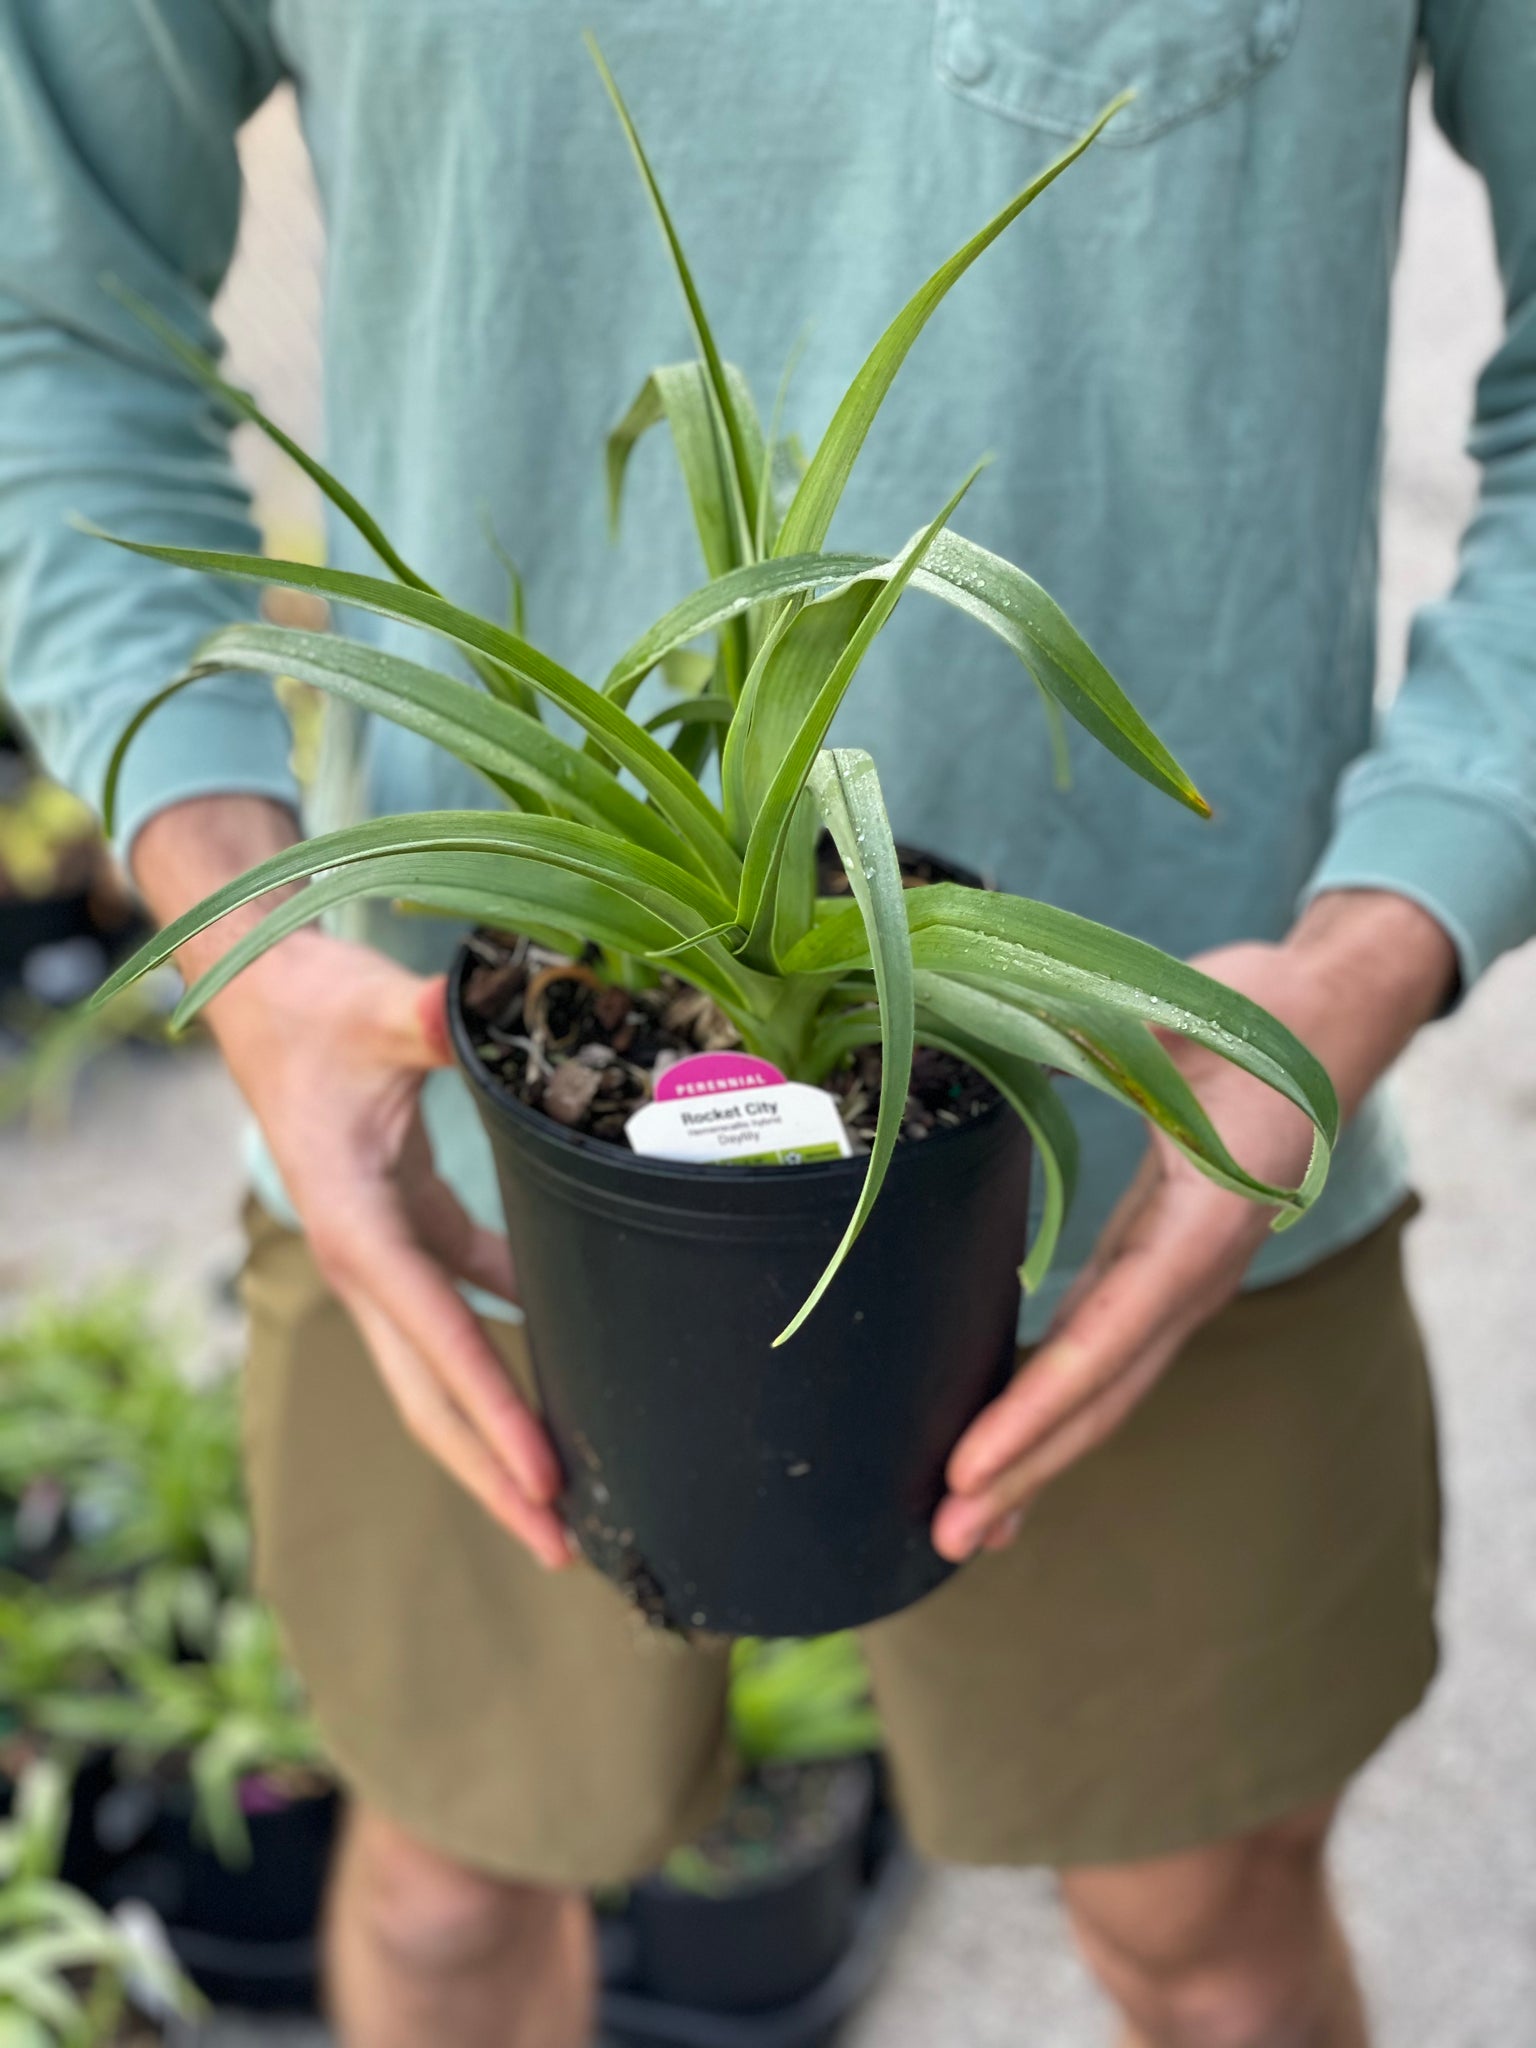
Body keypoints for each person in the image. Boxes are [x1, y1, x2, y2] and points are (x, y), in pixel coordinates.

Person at [3, 4, 1532, 2043]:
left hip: (1184, 1102)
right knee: (449, 1889)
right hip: (458, 1153)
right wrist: (242, 933)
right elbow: (44, 320)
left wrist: (1383, 941)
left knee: (1210, 1930)